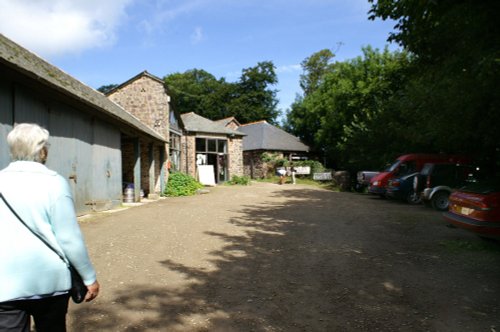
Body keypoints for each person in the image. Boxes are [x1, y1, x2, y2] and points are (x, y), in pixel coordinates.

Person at [0, 123, 100, 332]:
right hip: (50, 283)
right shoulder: (55, 183)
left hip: (5, 284)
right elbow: (68, 237)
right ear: (42, 149)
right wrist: (89, 277)